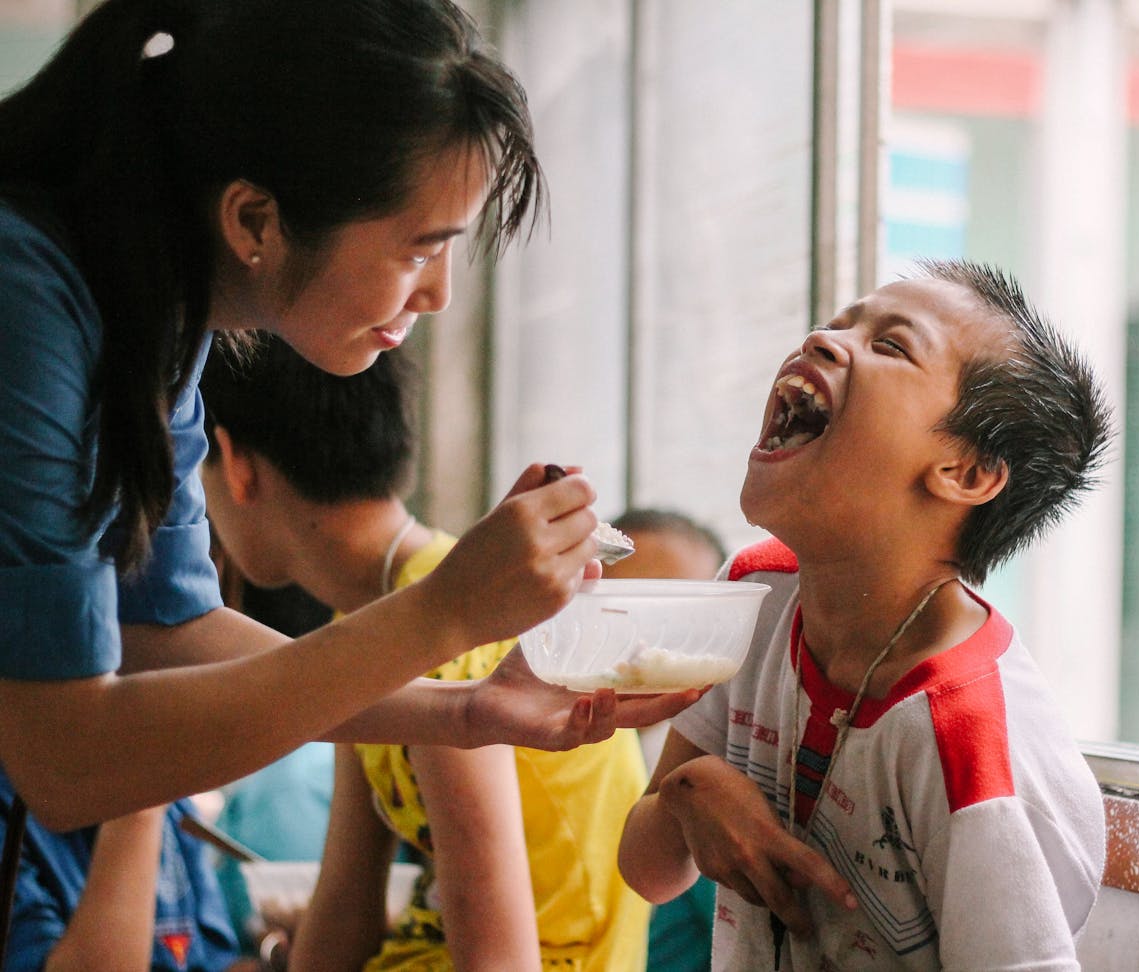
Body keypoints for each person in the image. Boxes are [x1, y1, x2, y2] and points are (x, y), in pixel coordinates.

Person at [0, 0, 695, 848]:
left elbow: (166, 631)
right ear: (255, 221)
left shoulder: (155, 313)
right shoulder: (26, 300)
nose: (438, 293)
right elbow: (64, 760)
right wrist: (443, 614)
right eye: (418, 249)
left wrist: (469, 709)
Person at [618, 259, 1113, 971]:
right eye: (840, 321)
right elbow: (648, 867)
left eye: (890, 345)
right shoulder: (756, 596)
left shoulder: (966, 736)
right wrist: (690, 796)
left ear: (967, 473)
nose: (823, 338)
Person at [200, 338, 651, 972]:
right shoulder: (382, 617)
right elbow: (346, 897)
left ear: (233, 462)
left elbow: (499, 961)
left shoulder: (447, 627)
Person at [601, 509, 726, 972]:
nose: (649, 642)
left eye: (679, 614)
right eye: (625, 607)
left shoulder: (718, 774)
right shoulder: (517, 751)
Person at [0, 778, 248, 972]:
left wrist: (279, 958)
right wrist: (137, 805)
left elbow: (214, 963)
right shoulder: (12, 806)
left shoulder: (176, 807)